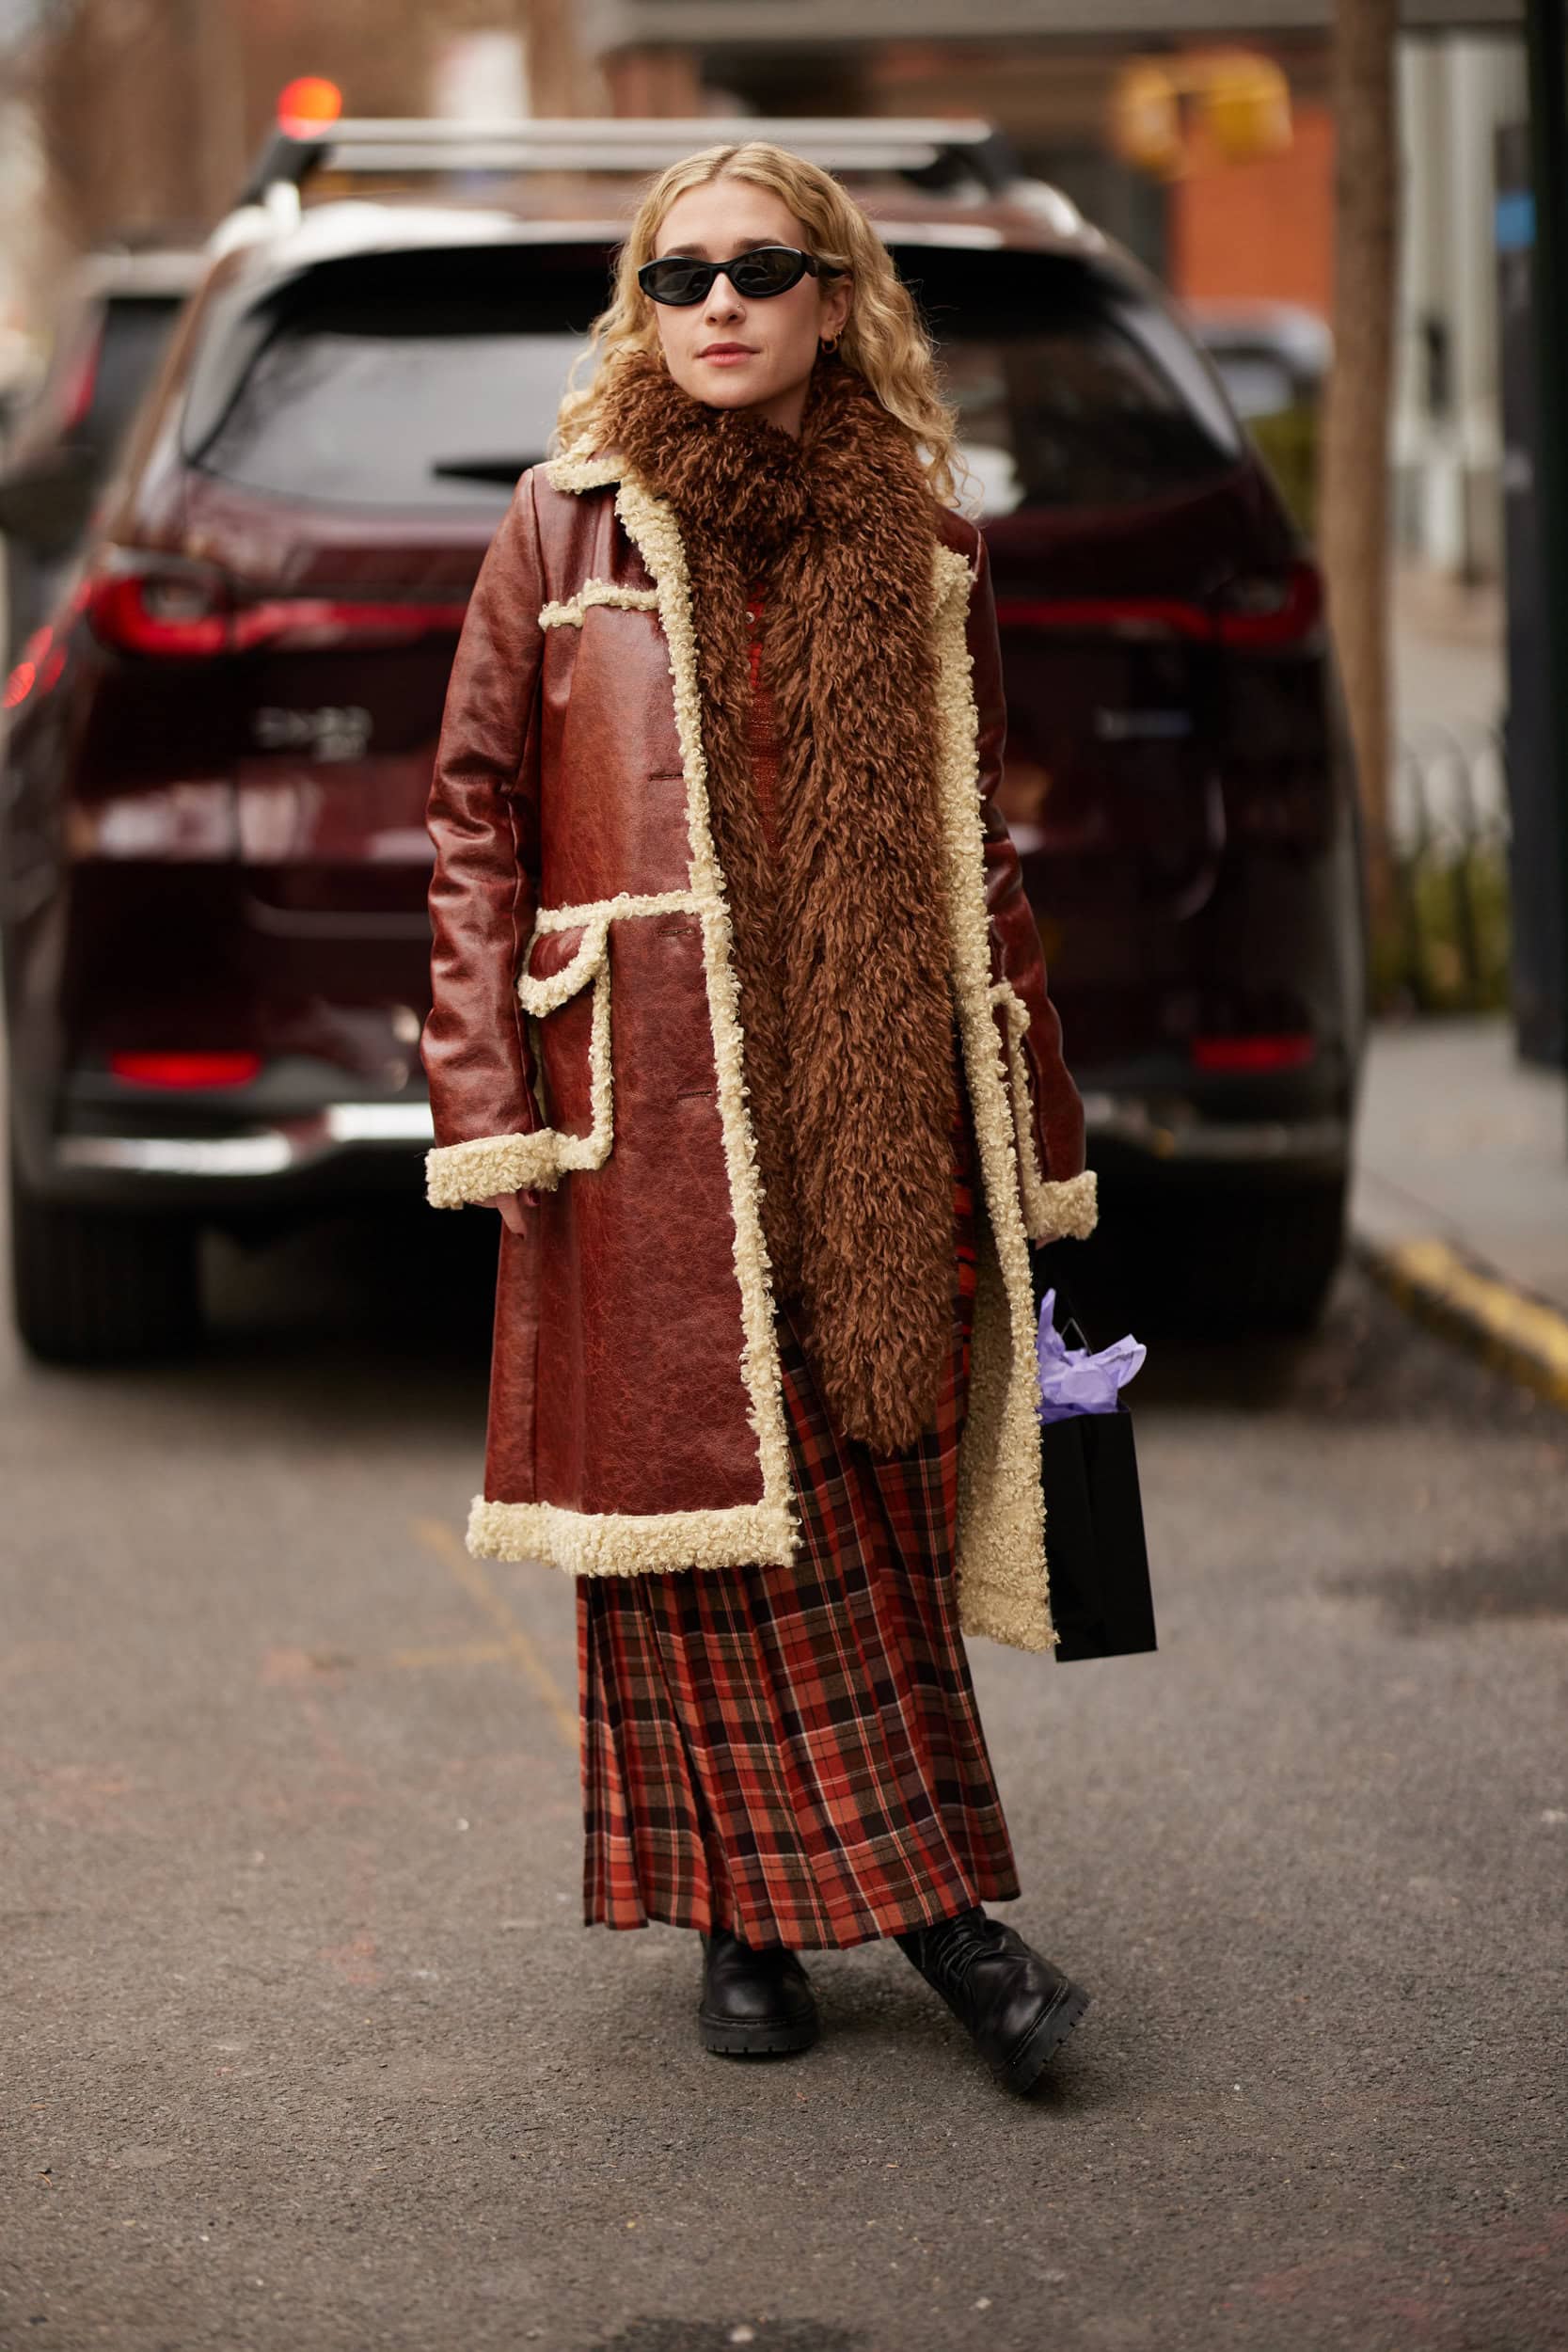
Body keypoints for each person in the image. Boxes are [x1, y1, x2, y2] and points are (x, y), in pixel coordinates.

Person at [420, 140, 1101, 2098]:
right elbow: (470, 818)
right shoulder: (560, 532)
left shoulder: (930, 547)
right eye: (678, 272)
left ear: (831, 300)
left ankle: (760, 1913)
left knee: (859, 1517)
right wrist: (494, 1086)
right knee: (706, 1516)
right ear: (643, 306)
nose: (716, 301)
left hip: (877, 1106)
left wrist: (1036, 1118)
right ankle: (955, 1942)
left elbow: (981, 857)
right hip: (651, 1107)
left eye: (759, 268)